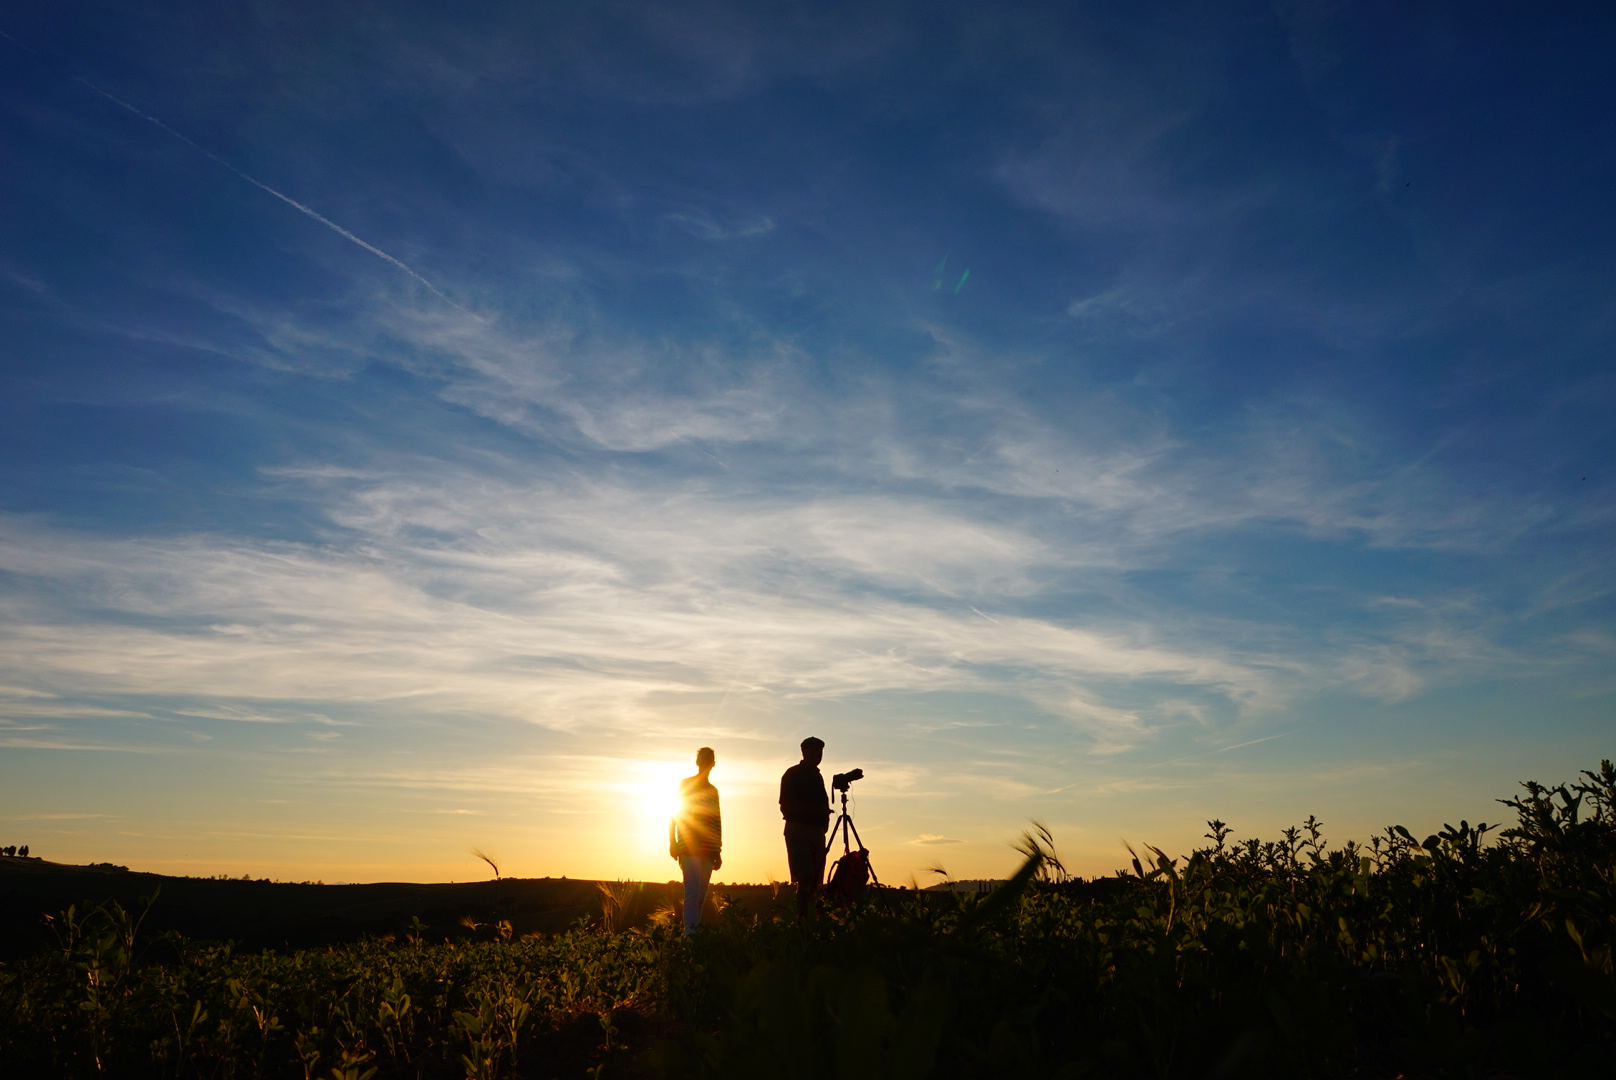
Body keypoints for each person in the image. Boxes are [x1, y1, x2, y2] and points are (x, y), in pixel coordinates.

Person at [669, 746, 722, 935]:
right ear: (697, 762)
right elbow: (675, 813)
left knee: (700, 897)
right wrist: (672, 842)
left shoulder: (713, 791)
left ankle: (694, 934)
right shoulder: (685, 784)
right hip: (688, 848)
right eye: (703, 759)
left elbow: (716, 821)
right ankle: (690, 936)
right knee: (692, 894)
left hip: (709, 850)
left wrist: (718, 852)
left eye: (709, 760)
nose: (706, 763)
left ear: (713, 764)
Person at [779, 736, 830, 917]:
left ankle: (812, 919)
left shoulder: (818, 776)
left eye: (820, 751)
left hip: (816, 833)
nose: (818, 755)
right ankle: (802, 921)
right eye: (814, 751)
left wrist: (823, 821)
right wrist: (815, 813)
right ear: (804, 752)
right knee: (805, 879)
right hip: (799, 831)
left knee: (816, 880)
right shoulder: (792, 774)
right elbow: (785, 806)